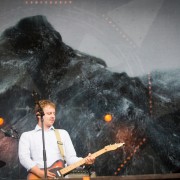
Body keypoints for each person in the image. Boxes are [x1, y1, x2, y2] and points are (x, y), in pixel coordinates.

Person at [18, 100, 95, 179]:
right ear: (38, 115)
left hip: (61, 176)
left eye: (54, 113)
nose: (53, 116)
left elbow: (70, 158)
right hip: (37, 176)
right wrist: (39, 173)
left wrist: (85, 161)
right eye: (49, 113)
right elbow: (24, 158)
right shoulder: (27, 136)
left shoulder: (63, 133)